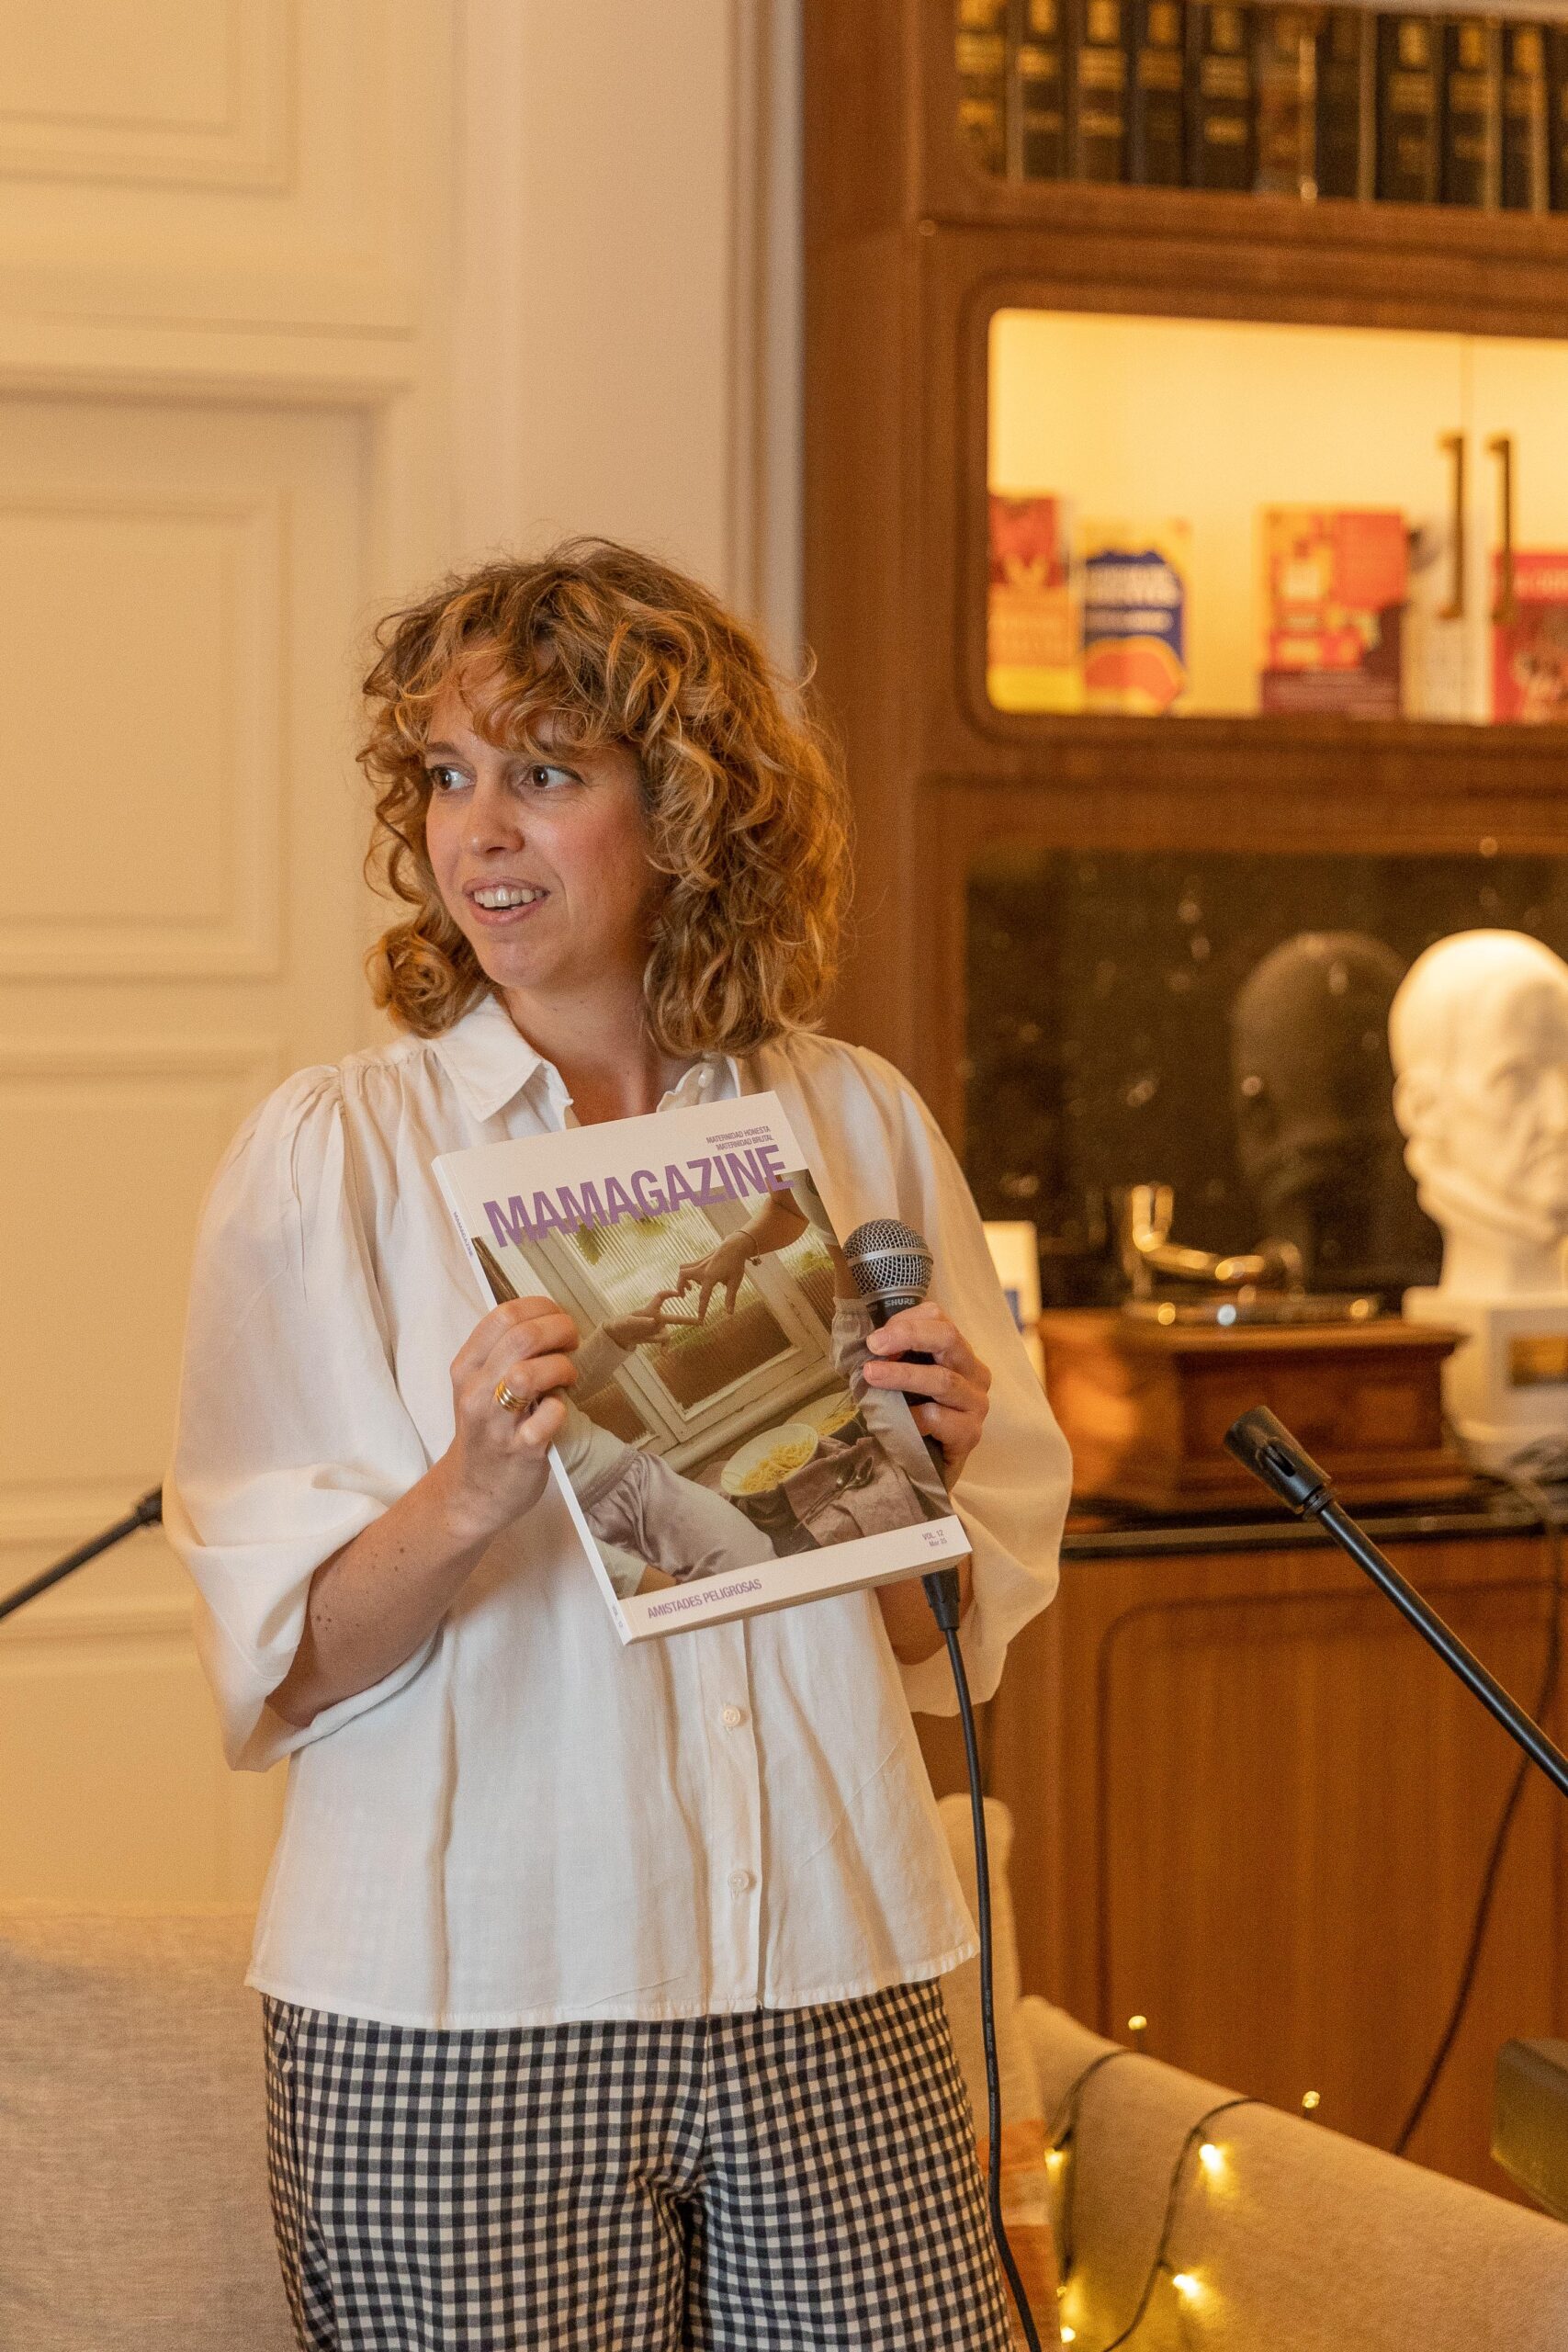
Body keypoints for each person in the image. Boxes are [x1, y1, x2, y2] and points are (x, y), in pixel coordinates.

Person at [164, 538, 1072, 2351]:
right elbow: (290, 1665)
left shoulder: (856, 1122)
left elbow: (929, 1648)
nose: (480, 833)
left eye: (544, 773)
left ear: (689, 808)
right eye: (446, 777)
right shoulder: (334, 1158)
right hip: (462, 2012)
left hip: (836, 1972)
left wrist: (931, 1474)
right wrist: (470, 1488)